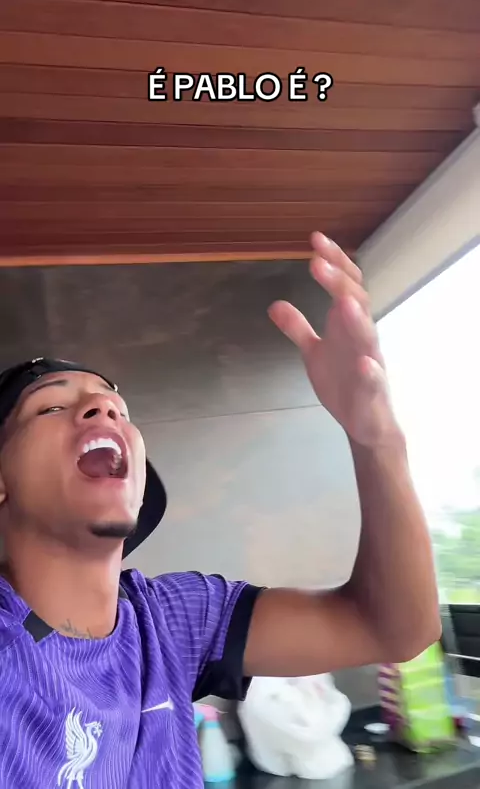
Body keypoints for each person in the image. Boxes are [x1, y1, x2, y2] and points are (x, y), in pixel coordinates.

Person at [0, 232, 440, 788]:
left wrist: (377, 439)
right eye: (51, 406)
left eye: (119, 408)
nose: (104, 406)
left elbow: (394, 629)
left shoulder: (174, 620)